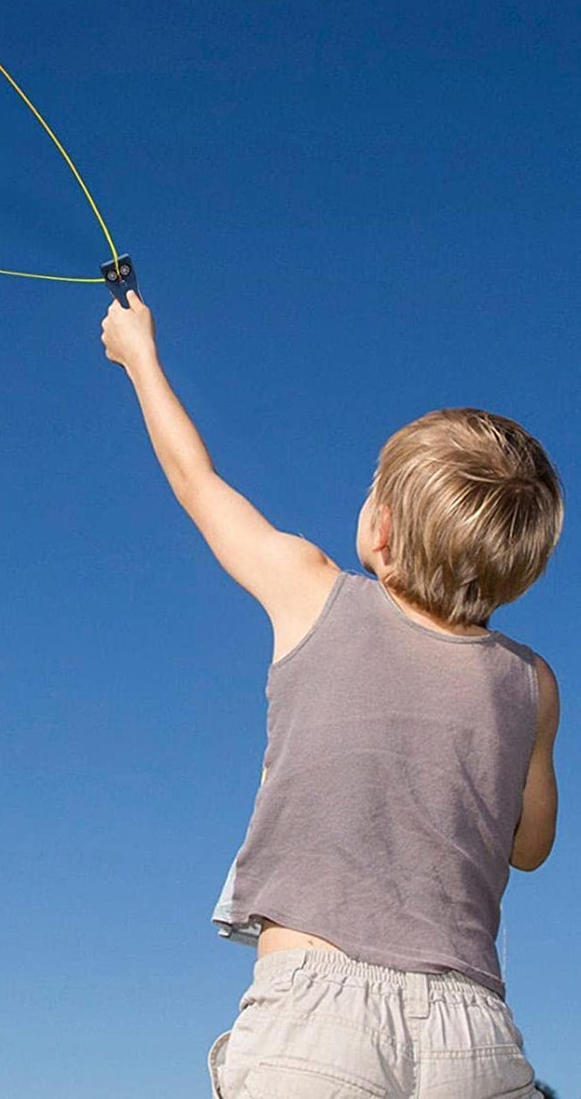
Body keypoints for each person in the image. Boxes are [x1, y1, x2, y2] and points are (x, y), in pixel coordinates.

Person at [99, 289, 562, 1099]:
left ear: (379, 532)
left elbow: (197, 483)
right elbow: (529, 847)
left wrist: (140, 357)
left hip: (318, 1009)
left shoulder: (313, 591)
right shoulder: (533, 682)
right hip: (475, 1030)